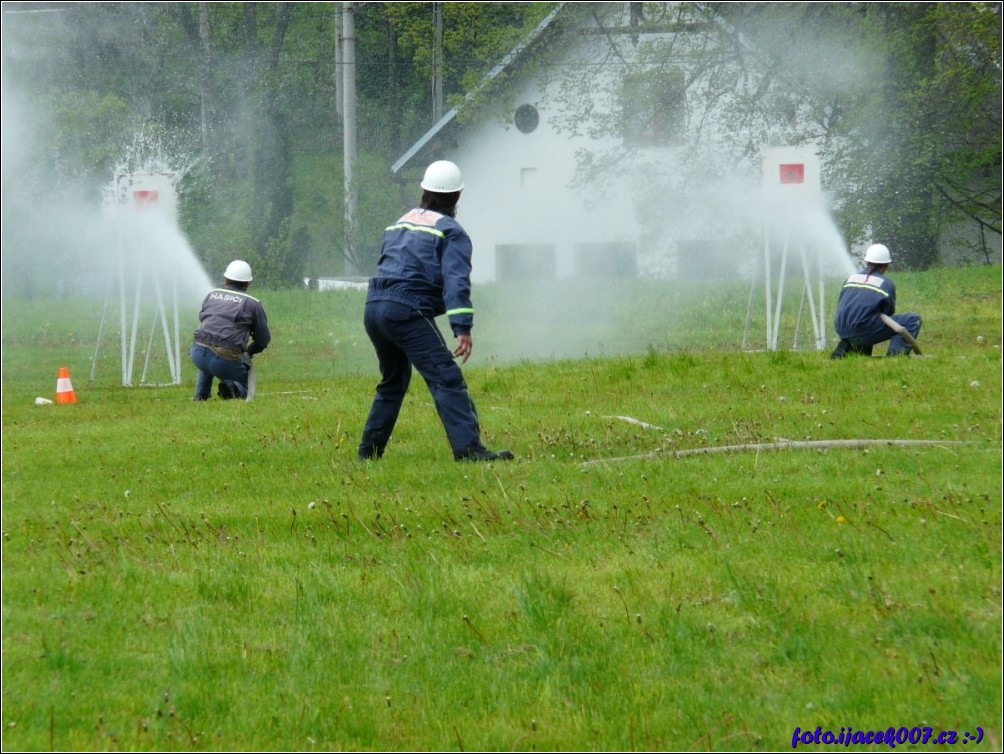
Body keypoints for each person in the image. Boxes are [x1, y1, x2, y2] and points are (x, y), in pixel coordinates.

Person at [358, 160, 514, 462]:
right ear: (457, 196)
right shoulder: (451, 232)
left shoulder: (398, 223)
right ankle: (469, 451)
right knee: (446, 378)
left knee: (392, 382)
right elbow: (456, 281)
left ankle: (368, 453)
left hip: (374, 307)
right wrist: (462, 327)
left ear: (424, 190)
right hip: (406, 311)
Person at [190, 259, 271, 400]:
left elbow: (204, 321)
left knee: (207, 354)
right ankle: (233, 388)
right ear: (247, 283)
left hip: (197, 353)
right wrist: (249, 352)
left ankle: (200, 396)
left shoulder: (211, 294)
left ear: (226, 279)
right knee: (246, 389)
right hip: (224, 360)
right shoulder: (253, 304)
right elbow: (263, 340)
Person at [831, 243, 922, 358]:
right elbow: (888, 315)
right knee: (912, 319)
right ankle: (896, 357)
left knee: (866, 319)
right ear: (886, 265)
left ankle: (852, 347)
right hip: (864, 330)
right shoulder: (886, 283)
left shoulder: (850, 278)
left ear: (866, 261)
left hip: (842, 329)